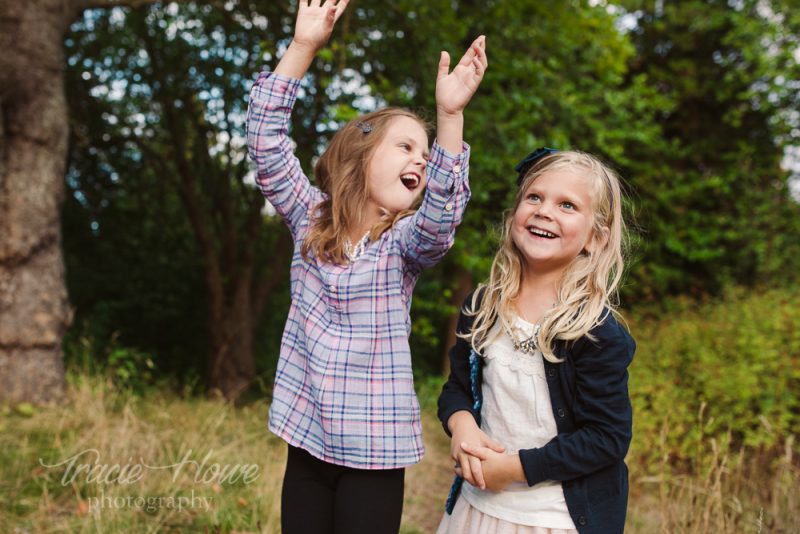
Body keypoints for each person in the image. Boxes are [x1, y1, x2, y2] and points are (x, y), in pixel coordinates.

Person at [245, 1, 488, 532]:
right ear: (359, 156)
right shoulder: (309, 220)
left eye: (425, 155)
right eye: (406, 145)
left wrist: (449, 118)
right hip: (308, 438)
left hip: (373, 452)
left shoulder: (401, 247)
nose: (421, 160)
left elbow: (442, 216)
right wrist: (303, 45)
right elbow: (265, 144)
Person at [436, 148, 635, 534]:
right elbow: (456, 388)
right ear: (515, 214)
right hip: (476, 509)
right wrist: (461, 426)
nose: (545, 211)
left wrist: (512, 469)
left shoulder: (594, 331)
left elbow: (606, 438)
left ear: (595, 238)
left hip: (551, 518)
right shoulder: (483, 306)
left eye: (567, 205)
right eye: (535, 197)